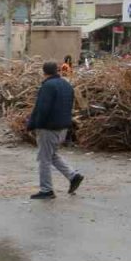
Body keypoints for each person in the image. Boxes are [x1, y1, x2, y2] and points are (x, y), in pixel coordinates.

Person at [27, 61, 83, 200]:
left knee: (44, 158)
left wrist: (33, 125)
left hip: (48, 127)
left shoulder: (48, 86)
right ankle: (73, 176)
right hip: (63, 126)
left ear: (44, 72)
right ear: (57, 70)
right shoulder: (67, 85)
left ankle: (46, 190)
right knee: (52, 155)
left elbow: (42, 108)